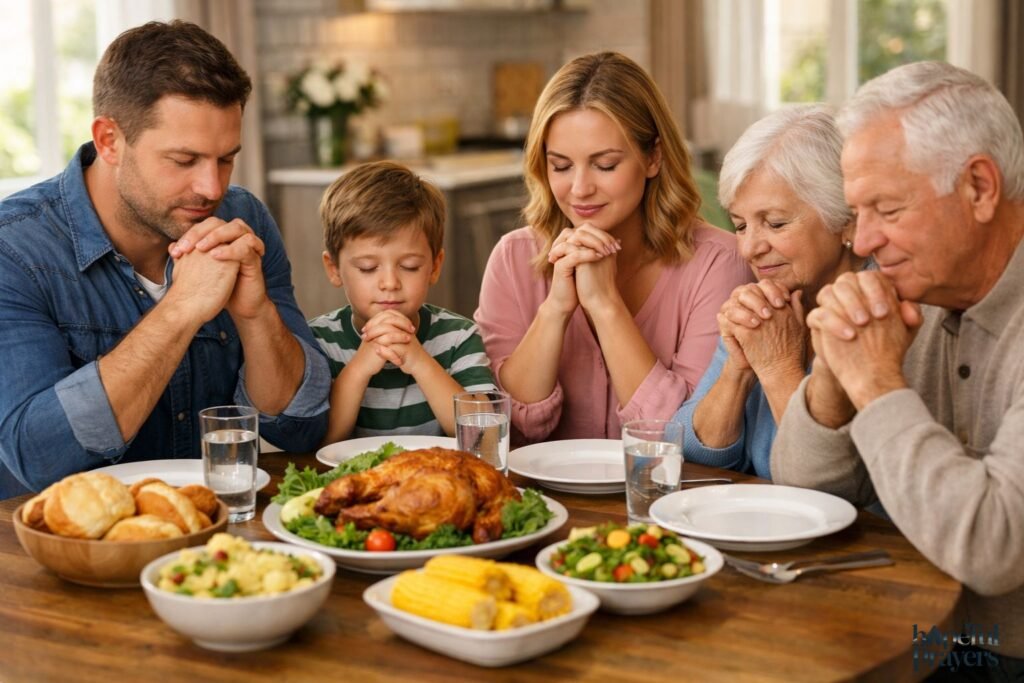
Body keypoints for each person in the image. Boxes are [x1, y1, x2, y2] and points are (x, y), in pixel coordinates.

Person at [0, 21, 331, 499]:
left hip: (211, 540)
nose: (212, 188)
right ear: (109, 140)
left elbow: (301, 428)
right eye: (184, 160)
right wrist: (180, 308)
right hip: (63, 558)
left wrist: (256, 316)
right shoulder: (15, 248)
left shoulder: (243, 219)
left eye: (225, 159)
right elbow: (37, 458)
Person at [770, 61, 1024, 676]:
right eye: (858, 214)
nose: (863, 241)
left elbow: (993, 549)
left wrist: (878, 384)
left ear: (980, 188)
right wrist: (833, 376)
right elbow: (803, 493)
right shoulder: (914, 291)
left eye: (887, 208)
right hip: (920, 641)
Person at [475, 52, 752, 443]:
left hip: (666, 502)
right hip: (538, 502)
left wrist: (605, 305)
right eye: (561, 166)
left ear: (653, 156)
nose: (580, 189)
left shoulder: (720, 264)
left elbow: (683, 438)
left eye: (604, 165)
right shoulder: (513, 258)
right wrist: (555, 310)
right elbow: (507, 428)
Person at [672, 105, 862, 479]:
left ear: (846, 219)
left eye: (775, 223)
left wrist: (778, 369)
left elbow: (840, 485)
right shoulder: (764, 303)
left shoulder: (880, 315)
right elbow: (686, 453)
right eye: (741, 226)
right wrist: (737, 371)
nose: (749, 249)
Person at [309, 161, 496, 442]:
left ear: (435, 266)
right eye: (368, 268)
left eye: (409, 266)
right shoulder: (319, 341)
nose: (390, 283)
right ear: (334, 268)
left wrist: (419, 361)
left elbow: (484, 437)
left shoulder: (458, 337)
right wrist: (359, 368)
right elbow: (321, 442)